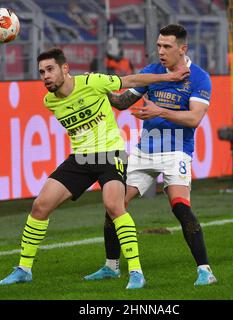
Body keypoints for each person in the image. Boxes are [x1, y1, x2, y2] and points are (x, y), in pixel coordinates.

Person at [0, 47, 190, 289]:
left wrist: (168, 77)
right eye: (41, 72)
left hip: (110, 155)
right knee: (40, 206)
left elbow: (130, 80)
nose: (45, 76)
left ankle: (136, 272)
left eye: (50, 69)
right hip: (80, 159)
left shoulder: (92, 81)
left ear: (65, 69)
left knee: (114, 206)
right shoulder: (50, 101)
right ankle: (24, 269)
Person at [84, 24, 217, 286]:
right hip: (144, 151)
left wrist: (161, 112)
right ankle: (111, 266)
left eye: (167, 46)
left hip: (177, 150)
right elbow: (123, 102)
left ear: (182, 49)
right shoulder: (152, 72)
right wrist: (97, 87)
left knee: (180, 207)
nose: (161, 51)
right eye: (158, 46)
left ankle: (205, 271)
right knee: (114, 205)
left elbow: (194, 118)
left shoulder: (199, 78)